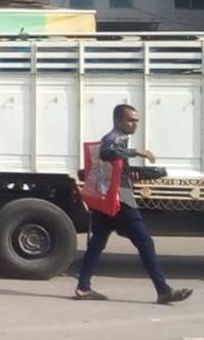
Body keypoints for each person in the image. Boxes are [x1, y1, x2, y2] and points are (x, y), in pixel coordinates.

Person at [74, 104, 193, 305]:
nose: (135, 124)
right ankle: (163, 290)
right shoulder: (113, 138)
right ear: (118, 121)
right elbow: (106, 153)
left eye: (136, 120)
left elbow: (119, 168)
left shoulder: (118, 139)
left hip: (109, 198)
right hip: (122, 199)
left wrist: (148, 173)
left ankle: (83, 288)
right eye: (131, 120)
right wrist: (137, 151)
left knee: (97, 244)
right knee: (145, 243)